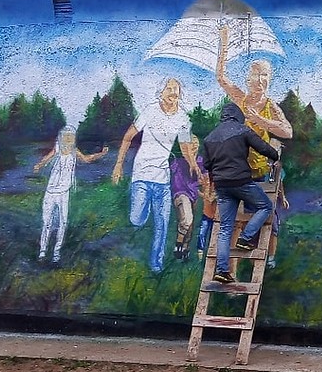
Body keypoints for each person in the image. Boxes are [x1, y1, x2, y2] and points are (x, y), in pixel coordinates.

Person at [111, 78, 199, 274]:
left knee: (162, 224)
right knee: (136, 219)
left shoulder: (183, 119)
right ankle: (142, 217)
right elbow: (128, 136)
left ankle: (156, 264)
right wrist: (118, 165)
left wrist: (194, 164)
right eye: (169, 89)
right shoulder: (150, 110)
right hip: (141, 175)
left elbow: (185, 147)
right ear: (161, 92)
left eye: (176, 90)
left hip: (162, 179)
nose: (173, 93)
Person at [202, 102, 280, 286]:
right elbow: (262, 147)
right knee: (265, 206)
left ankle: (222, 271)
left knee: (225, 228)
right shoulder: (242, 130)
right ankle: (245, 238)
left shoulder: (209, 137)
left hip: (222, 185)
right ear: (238, 115)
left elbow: (206, 165)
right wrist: (275, 155)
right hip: (240, 181)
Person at [215, 24, 292, 179]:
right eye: (257, 74)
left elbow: (288, 132)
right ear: (248, 80)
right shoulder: (240, 98)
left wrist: (259, 120)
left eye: (265, 75)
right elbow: (221, 77)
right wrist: (224, 43)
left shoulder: (271, 106)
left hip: (259, 171)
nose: (261, 80)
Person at [33, 126, 107, 263]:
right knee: (47, 222)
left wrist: (101, 154)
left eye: (71, 136)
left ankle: (56, 253)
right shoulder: (57, 148)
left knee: (63, 222)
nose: (68, 138)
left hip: (64, 193)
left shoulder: (74, 151)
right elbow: (47, 158)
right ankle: (43, 251)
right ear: (61, 137)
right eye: (66, 136)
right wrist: (39, 165)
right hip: (51, 192)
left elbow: (86, 159)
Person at [169, 145, 203, 262]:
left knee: (190, 223)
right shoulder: (177, 162)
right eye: (190, 146)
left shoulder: (201, 161)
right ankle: (178, 245)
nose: (192, 149)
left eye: (195, 146)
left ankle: (185, 249)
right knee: (187, 219)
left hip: (194, 195)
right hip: (181, 194)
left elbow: (205, 179)